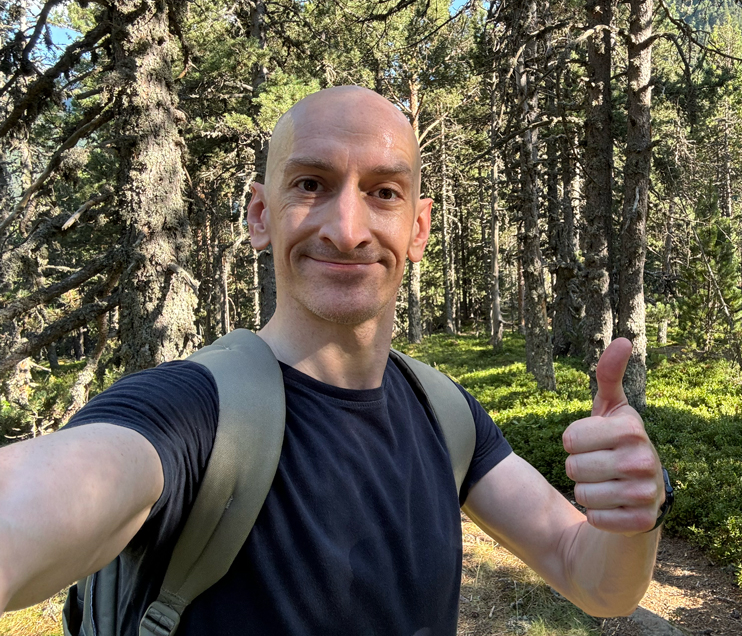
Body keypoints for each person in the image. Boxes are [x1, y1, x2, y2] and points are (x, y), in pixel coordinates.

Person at [0, 86, 667, 634]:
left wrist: (635, 519)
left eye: (383, 191)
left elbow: (594, 582)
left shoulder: (447, 415)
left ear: (418, 229)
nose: (347, 230)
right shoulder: (189, 412)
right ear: (261, 217)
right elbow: (54, 492)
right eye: (312, 183)